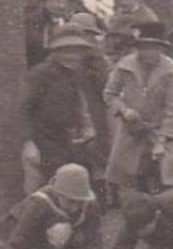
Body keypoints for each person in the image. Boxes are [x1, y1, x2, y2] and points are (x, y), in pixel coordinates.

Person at [21, 26, 111, 191]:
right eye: (66, 51)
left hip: (65, 140)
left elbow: (78, 103)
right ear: (55, 52)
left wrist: (86, 126)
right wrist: (28, 144)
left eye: (77, 51)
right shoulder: (39, 75)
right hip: (42, 140)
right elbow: (23, 109)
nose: (72, 56)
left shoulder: (74, 74)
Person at [104, 22, 173, 194]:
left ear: (162, 49)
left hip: (160, 129)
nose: (149, 52)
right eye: (144, 47)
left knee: (167, 176)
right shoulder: (125, 65)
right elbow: (110, 94)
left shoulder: (171, 71)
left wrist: (162, 141)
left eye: (154, 47)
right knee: (127, 176)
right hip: (131, 129)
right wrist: (124, 110)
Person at [25, 0, 76, 66]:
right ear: (46, 3)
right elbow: (32, 45)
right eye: (57, 1)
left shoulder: (71, 23)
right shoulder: (34, 22)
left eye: (64, 2)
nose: (61, 6)